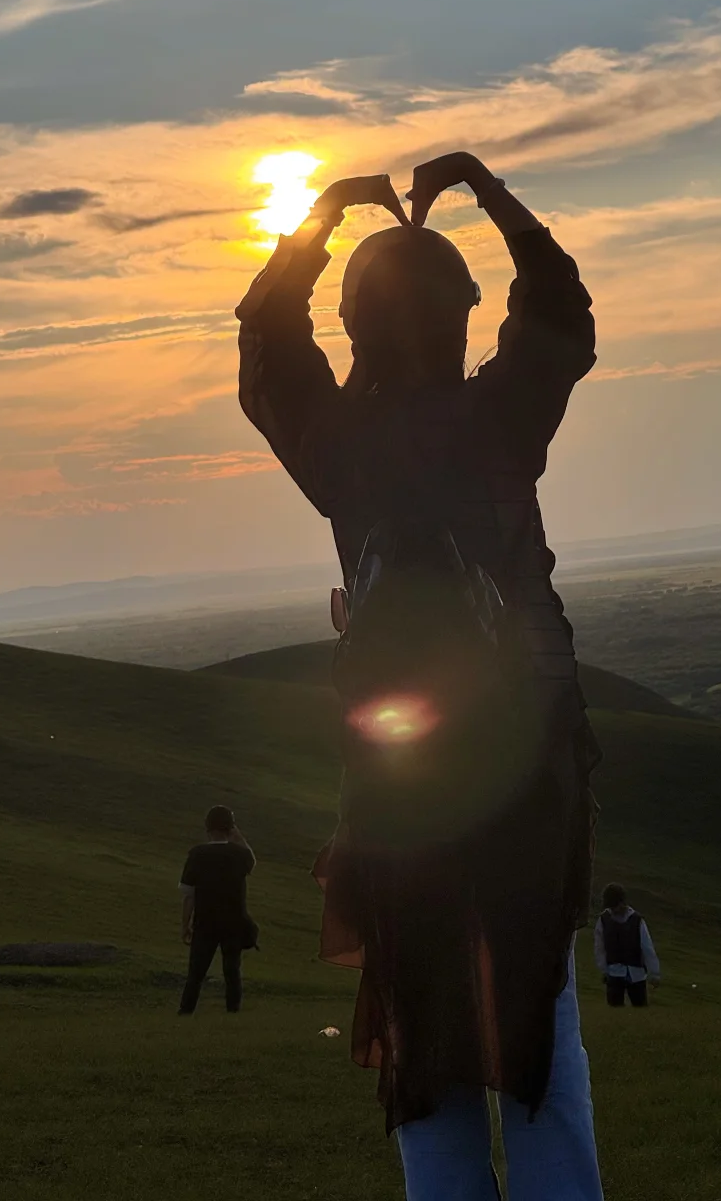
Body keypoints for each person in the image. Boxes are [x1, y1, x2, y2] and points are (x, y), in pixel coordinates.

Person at [236, 153, 603, 1199]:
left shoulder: (334, 441)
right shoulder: (502, 422)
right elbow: (561, 312)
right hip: (531, 756)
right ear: (464, 313)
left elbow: (266, 339)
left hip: (396, 771)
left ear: (351, 324)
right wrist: (488, 194)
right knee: (540, 1011)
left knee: (418, 1011)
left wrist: (318, 219)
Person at [178, 806, 256, 1015]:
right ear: (229, 829)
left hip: (205, 923)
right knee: (232, 972)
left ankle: (185, 1012)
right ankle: (233, 1012)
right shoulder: (239, 855)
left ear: (207, 828)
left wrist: (185, 926)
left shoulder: (197, 855)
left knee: (195, 973)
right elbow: (252, 861)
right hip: (233, 923)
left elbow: (189, 895)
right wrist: (237, 835)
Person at [594, 884, 660, 1006]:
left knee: (640, 1010)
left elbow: (647, 947)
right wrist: (604, 970)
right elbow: (599, 948)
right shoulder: (603, 920)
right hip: (614, 973)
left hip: (637, 973)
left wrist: (654, 973)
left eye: (615, 906)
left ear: (622, 903)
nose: (613, 910)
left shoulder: (637, 920)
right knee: (614, 1012)